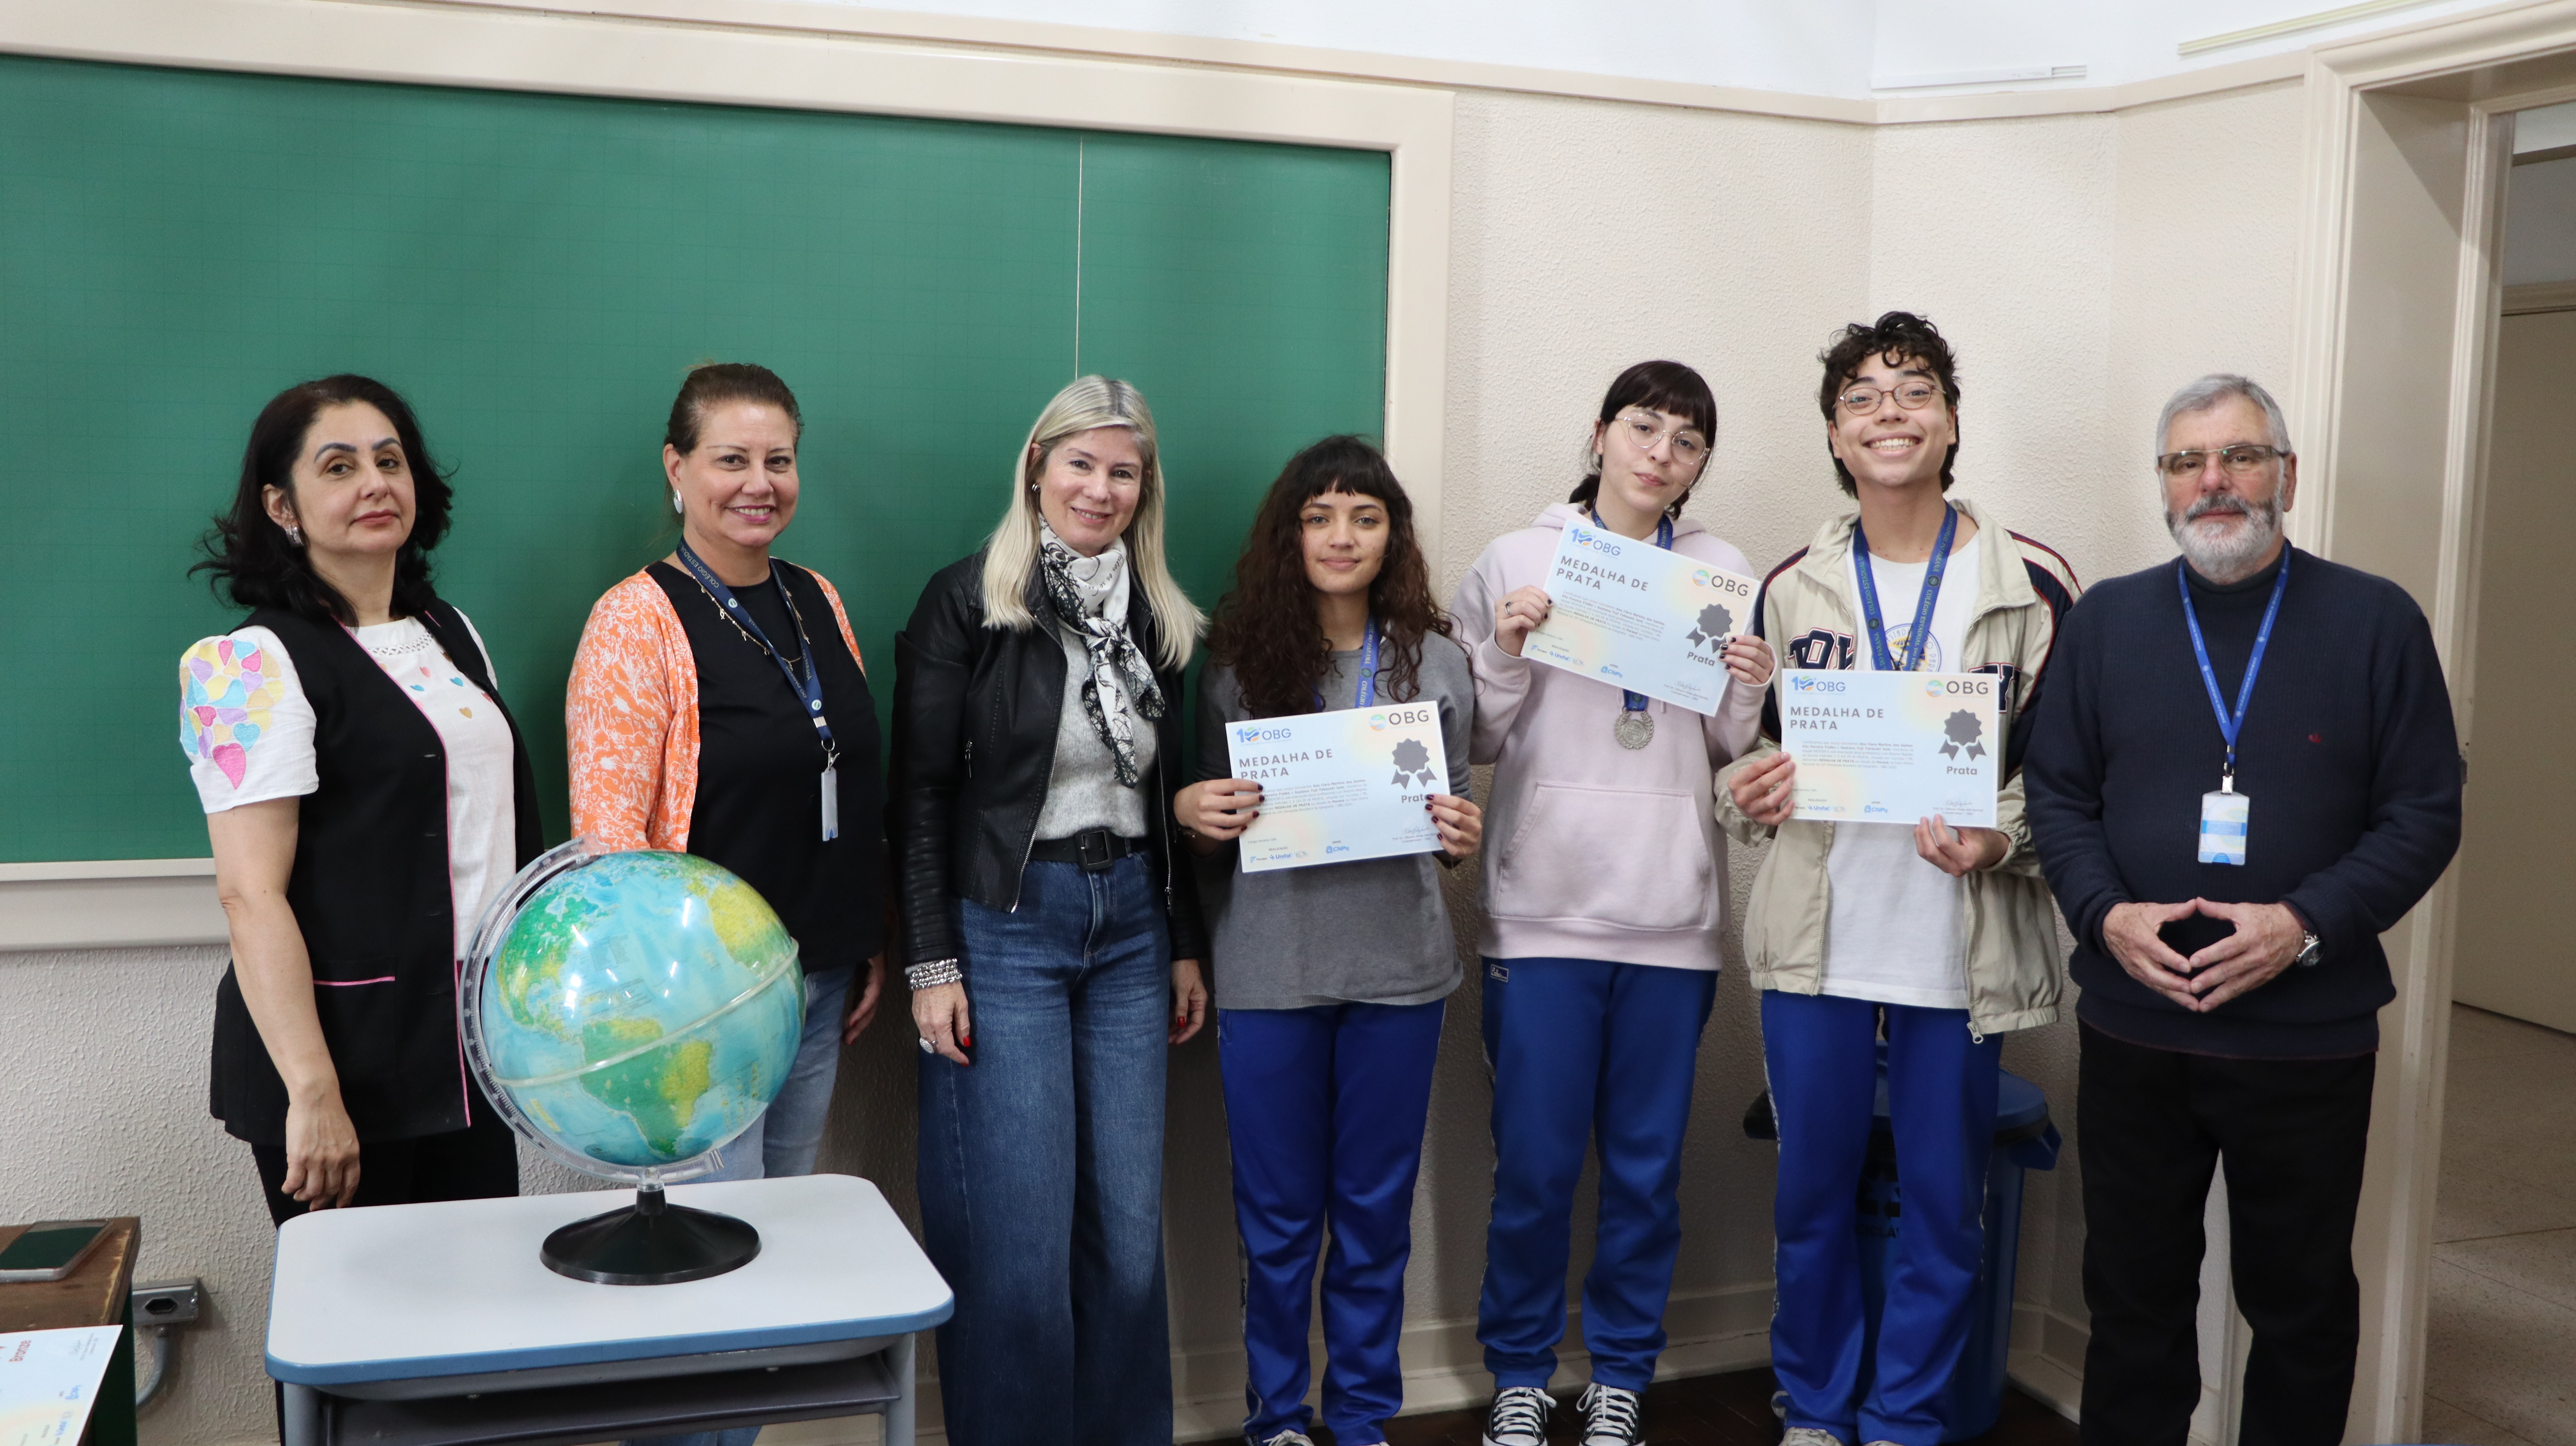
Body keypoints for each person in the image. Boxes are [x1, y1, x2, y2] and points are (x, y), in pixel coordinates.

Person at [2024, 374, 2462, 1446]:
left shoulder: (2376, 620)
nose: (2213, 481)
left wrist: (2302, 925)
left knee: (2303, 1307)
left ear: (2287, 476)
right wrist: (2103, 915)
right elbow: (2058, 797)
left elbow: (2424, 812)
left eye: (2240, 457)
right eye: (2186, 462)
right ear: (2163, 486)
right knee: (2132, 1303)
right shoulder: (2108, 621)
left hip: (2304, 1042)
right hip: (2135, 1026)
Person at [1716, 313, 2079, 1446]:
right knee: (1810, 1200)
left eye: (1913, 392)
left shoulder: (2036, 583)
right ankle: (1818, 1412)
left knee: (1944, 1207)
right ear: (1836, 434)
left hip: (1960, 945)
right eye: (1863, 398)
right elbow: (1751, 765)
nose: (1890, 413)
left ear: (1952, 420)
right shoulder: (1789, 584)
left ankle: (1909, 1417)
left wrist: (1997, 841)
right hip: (1821, 937)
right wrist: (1749, 794)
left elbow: (2066, 782)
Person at [1454, 360, 1777, 1446]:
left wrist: (1747, 677)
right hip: (1541, 911)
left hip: (1670, 915)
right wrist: (1503, 647)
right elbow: (1478, 741)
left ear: (1697, 466)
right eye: (1644, 427)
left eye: (1687, 442)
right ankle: (1519, 1376)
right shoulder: (1516, 557)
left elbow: (1732, 746)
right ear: (1600, 434)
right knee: (1536, 1167)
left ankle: (1622, 1375)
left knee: (1646, 1170)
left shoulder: (1723, 569)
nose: (1661, 453)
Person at [891, 375, 1209, 1446]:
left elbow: (1175, 801)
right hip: (1008, 924)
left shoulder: (1162, 615)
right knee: (1019, 1248)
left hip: (1129, 925)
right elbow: (921, 794)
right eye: (1080, 463)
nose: (1101, 488)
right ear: (1037, 466)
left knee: (1126, 1239)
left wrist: (1182, 946)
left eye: (1124, 471)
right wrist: (933, 963)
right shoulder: (969, 601)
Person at [1176, 437, 1484, 1446]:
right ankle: (1277, 1418)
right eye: (1320, 517)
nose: (1342, 537)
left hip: (1399, 971)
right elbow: (1203, 823)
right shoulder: (1233, 663)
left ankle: (1359, 1416)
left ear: (1392, 534)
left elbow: (1453, 814)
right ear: (1289, 535)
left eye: (1365, 516)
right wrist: (1196, 811)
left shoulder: (1437, 659)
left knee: (1374, 1217)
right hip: (1270, 970)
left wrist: (1460, 831)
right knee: (1276, 1223)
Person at [181, 374, 539, 1224]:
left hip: (470, 1051)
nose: (376, 483)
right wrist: (313, 1090)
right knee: (355, 1341)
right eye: (338, 467)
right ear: (282, 505)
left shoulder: (450, 633)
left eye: (391, 459)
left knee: (479, 1327)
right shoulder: (246, 666)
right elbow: (249, 891)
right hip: (343, 1066)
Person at [565, 362, 887, 1193]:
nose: (760, 484)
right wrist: (667, 1011)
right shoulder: (635, 621)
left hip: (817, 978)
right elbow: (609, 849)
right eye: (732, 460)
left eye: (779, 461)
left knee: (782, 1224)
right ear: (678, 469)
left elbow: (842, 773)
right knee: (716, 1246)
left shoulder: (820, 599)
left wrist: (864, 936)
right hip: (705, 1009)